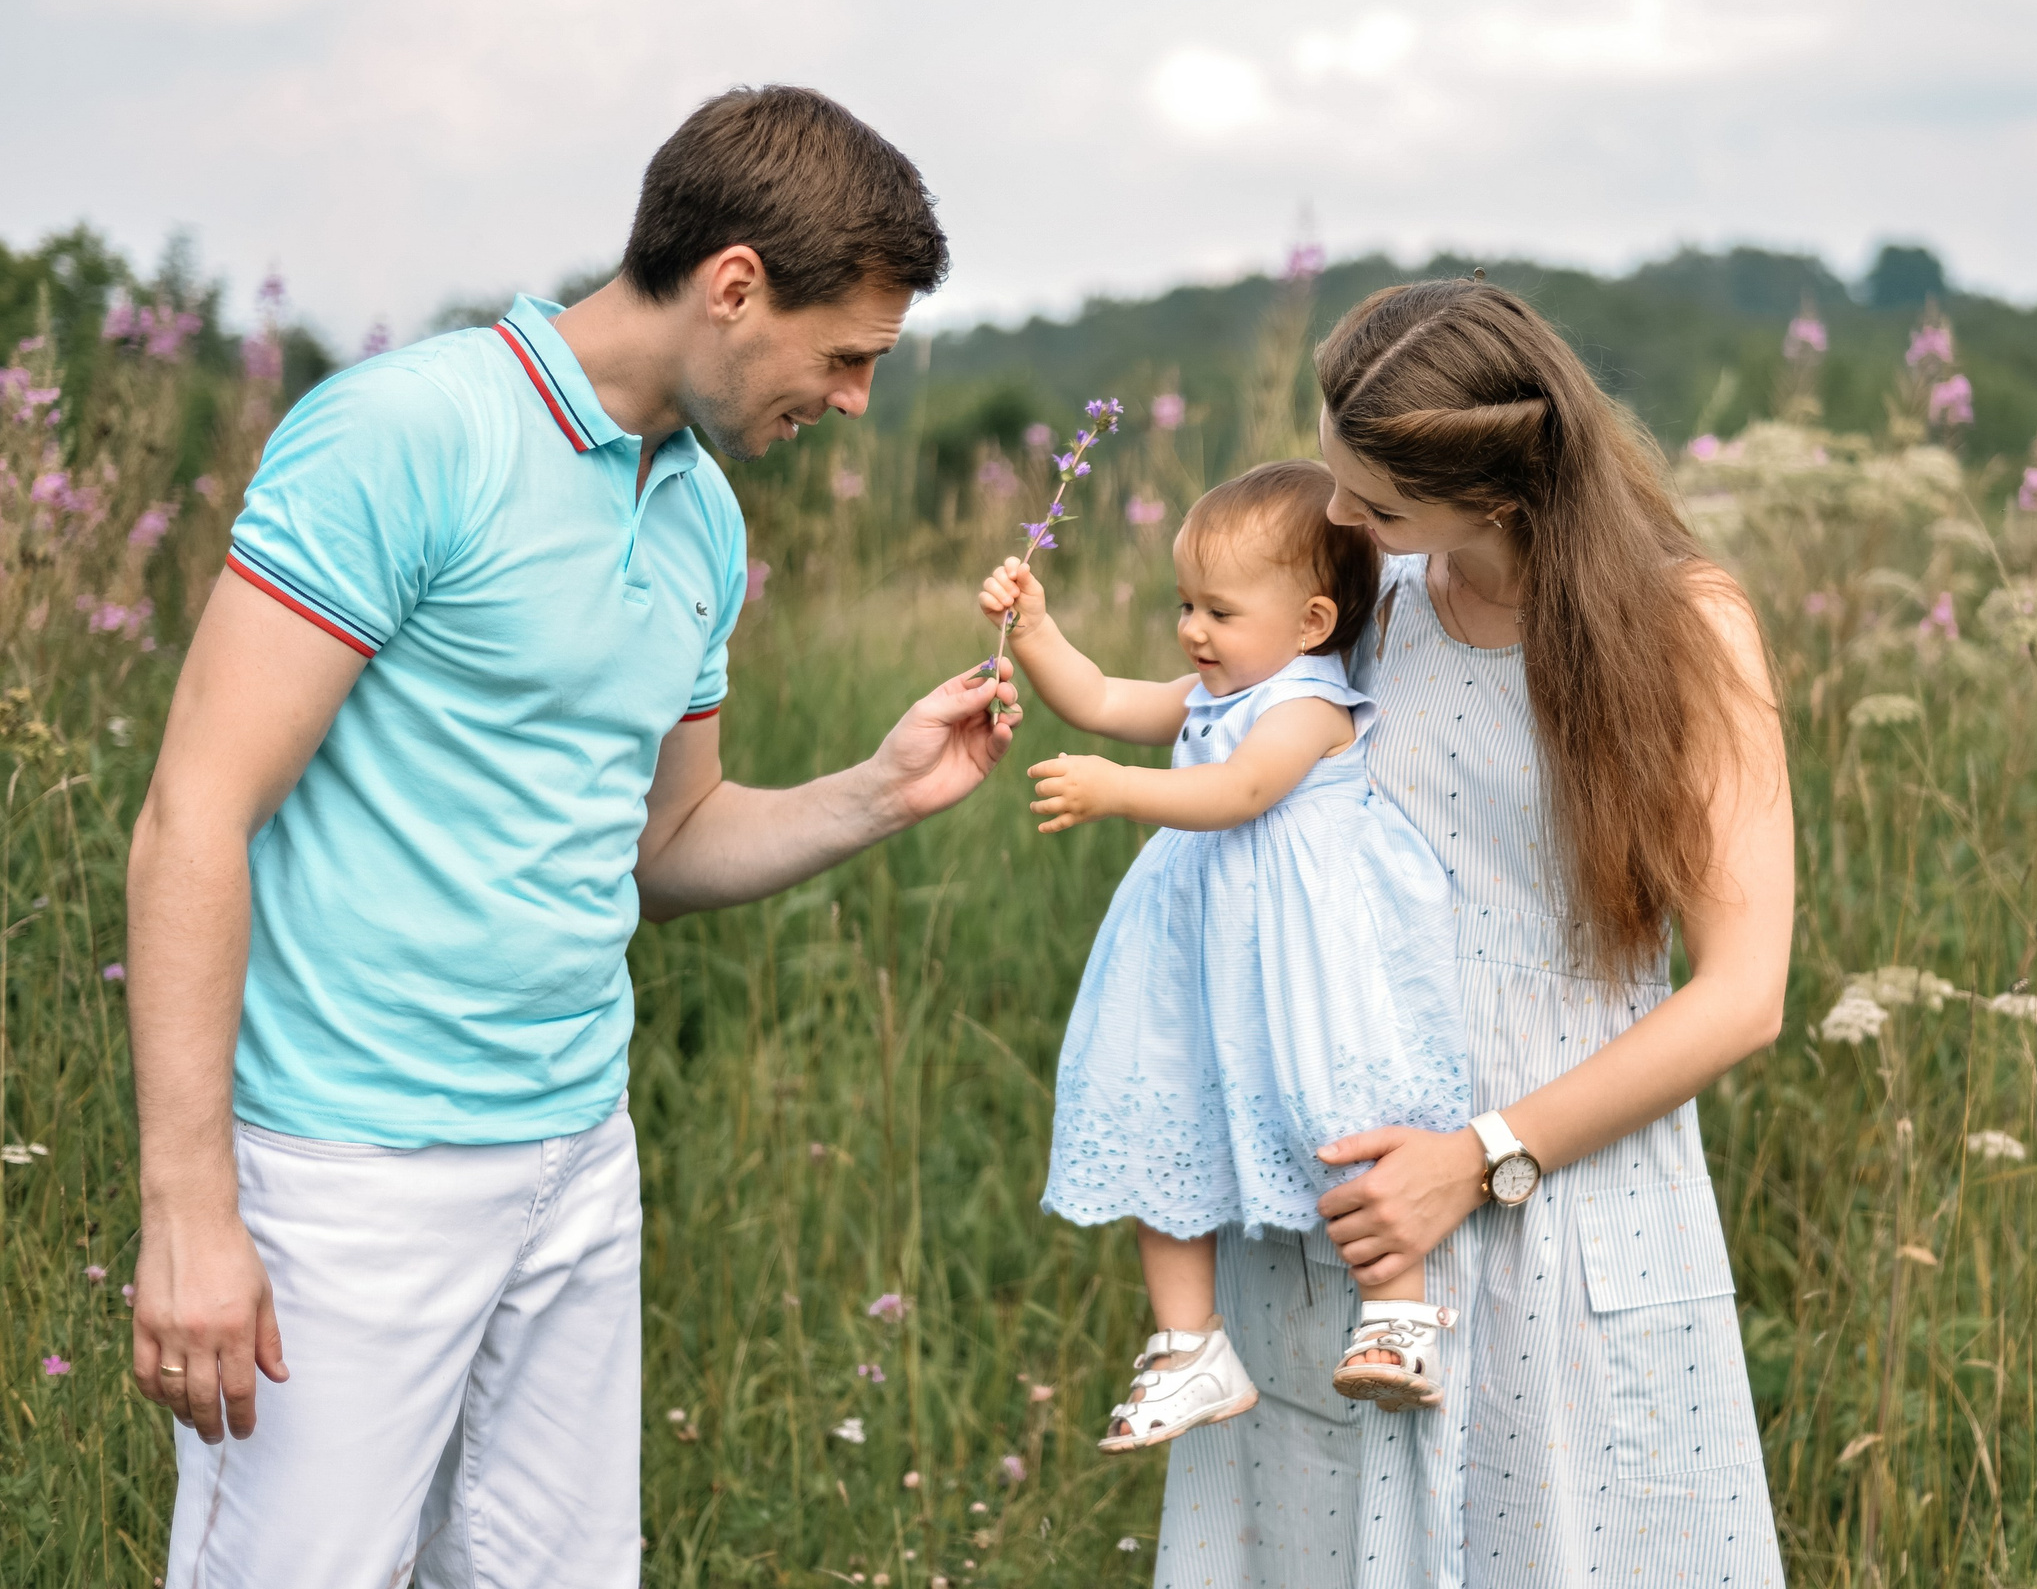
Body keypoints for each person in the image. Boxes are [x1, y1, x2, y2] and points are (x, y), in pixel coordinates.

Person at [123, 86, 1020, 1587]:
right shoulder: (406, 431)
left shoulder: (705, 520)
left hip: (574, 1161)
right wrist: (190, 1207)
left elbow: (666, 846)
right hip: (349, 1170)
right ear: (736, 285)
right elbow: (191, 819)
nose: (857, 396)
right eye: (848, 353)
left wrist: (880, 789)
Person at [1153, 279, 1795, 1587]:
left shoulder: (1685, 628)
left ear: (1501, 495)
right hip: (1355, 1220)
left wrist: (1482, 1158)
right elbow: (1229, 766)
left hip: (1575, 1210)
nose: (1342, 521)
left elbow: (1745, 994)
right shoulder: (1365, 604)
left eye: (1377, 503)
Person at [977, 461, 1475, 1451]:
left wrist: (1120, 792)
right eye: (1184, 605)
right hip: (1200, 966)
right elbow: (1103, 699)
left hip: (1305, 968)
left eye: (1218, 611)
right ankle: (1187, 1345)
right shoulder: (1213, 690)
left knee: (1345, 1113)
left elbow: (1242, 792)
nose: (1190, 631)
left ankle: (1394, 1314)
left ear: (1309, 620)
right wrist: (1034, 630)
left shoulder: (1305, 706)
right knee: (1165, 1118)